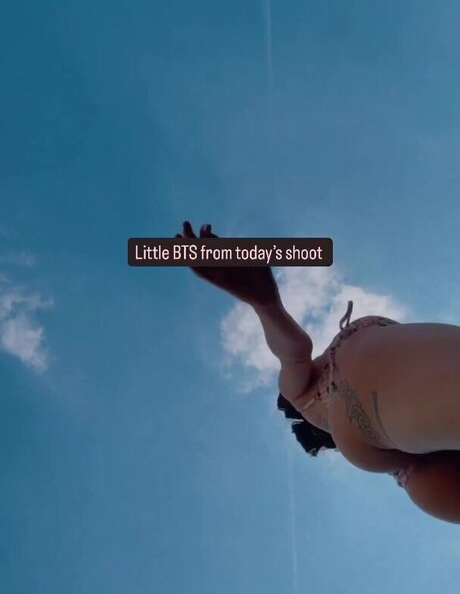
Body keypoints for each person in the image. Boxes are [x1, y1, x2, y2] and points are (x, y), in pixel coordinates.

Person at [176, 221, 460, 524]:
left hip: (403, 442)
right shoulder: (302, 395)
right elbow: (293, 350)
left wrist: (265, 302)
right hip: (383, 415)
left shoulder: (316, 393)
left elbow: (294, 351)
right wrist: (265, 304)